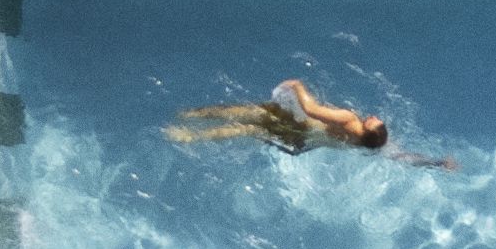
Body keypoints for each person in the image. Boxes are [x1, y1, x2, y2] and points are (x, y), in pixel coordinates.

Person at [169, 77, 454, 166]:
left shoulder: (348, 119)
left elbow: (312, 108)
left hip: (299, 126)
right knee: (249, 129)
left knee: (246, 115)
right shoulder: (370, 145)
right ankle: (189, 136)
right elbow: (404, 157)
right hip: (300, 144)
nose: (375, 117)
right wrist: (438, 163)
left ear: (367, 128)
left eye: (374, 122)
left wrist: (298, 85)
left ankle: (190, 125)